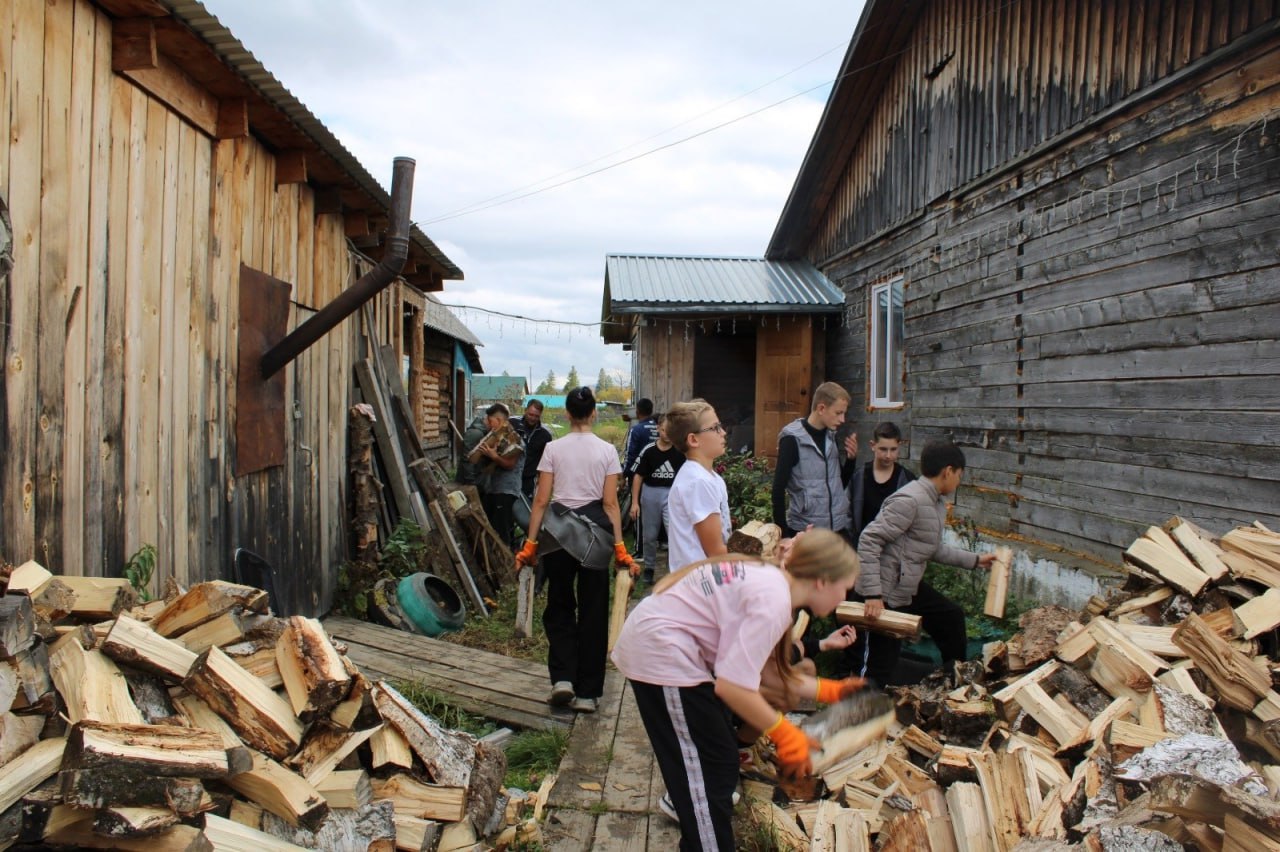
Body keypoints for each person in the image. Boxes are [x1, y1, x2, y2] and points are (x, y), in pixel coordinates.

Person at [611, 529, 866, 851]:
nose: (845, 598)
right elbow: (733, 687)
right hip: (663, 655)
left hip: (674, 653)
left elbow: (769, 675)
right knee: (708, 765)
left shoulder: (775, 587)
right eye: (845, 589)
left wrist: (832, 691)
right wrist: (786, 734)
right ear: (823, 580)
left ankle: (695, 820)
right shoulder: (774, 599)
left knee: (719, 760)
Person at [514, 386, 638, 714]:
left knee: (559, 605)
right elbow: (611, 504)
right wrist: (620, 548)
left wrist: (530, 544)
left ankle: (562, 679)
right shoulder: (607, 451)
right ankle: (587, 693)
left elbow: (541, 500)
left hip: (558, 535)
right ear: (594, 413)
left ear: (568, 414)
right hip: (596, 534)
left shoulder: (553, 448)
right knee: (594, 610)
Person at [851, 440, 996, 687]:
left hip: (906, 585)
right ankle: (858, 709)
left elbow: (932, 548)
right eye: (959, 475)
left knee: (950, 617)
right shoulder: (910, 500)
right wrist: (873, 594)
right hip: (884, 592)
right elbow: (869, 540)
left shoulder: (935, 503)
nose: (959, 482)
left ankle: (956, 680)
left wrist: (975, 561)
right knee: (880, 665)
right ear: (948, 471)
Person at [771, 382, 859, 541]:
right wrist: (783, 535)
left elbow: (838, 484)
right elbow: (777, 489)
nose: (842, 419)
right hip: (805, 532)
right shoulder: (792, 439)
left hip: (836, 529)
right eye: (838, 413)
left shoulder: (831, 437)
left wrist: (851, 460)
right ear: (821, 408)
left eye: (844, 413)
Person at [664, 400, 731, 572]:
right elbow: (716, 552)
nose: (723, 432)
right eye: (715, 428)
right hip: (699, 586)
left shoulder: (711, 478)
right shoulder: (698, 482)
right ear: (693, 440)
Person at [629, 413, 684, 584]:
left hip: (671, 494)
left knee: (674, 533)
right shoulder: (649, 450)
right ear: (658, 429)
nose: (666, 433)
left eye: (670, 430)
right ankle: (650, 568)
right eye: (663, 430)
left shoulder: (679, 452)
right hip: (651, 493)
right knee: (650, 535)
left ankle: (675, 570)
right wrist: (634, 503)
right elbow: (638, 476)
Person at [849, 422, 915, 544]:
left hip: (893, 551)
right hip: (861, 547)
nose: (888, 456)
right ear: (872, 445)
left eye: (893, 449)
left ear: (899, 446)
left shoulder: (907, 480)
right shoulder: (859, 477)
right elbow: (847, 513)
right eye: (883, 449)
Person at [475, 403, 524, 548]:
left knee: (501, 534)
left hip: (506, 491)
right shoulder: (496, 437)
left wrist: (494, 456)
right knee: (489, 528)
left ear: (499, 420)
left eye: (490, 421)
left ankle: (506, 565)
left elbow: (510, 465)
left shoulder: (514, 438)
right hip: (492, 489)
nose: (488, 424)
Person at [508, 399, 553, 500]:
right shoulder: (512, 423)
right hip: (509, 476)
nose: (532, 418)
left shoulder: (545, 434)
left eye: (536, 416)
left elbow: (545, 460)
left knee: (525, 511)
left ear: (540, 415)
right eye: (530, 414)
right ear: (525, 411)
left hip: (528, 479)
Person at [623, 397, 660, 477]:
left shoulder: (636, 430)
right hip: (657, 475)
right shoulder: (660, 428)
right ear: (651, 411)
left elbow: (630, 455)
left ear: (637, 412)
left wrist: (625, 474)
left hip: (638, 475)